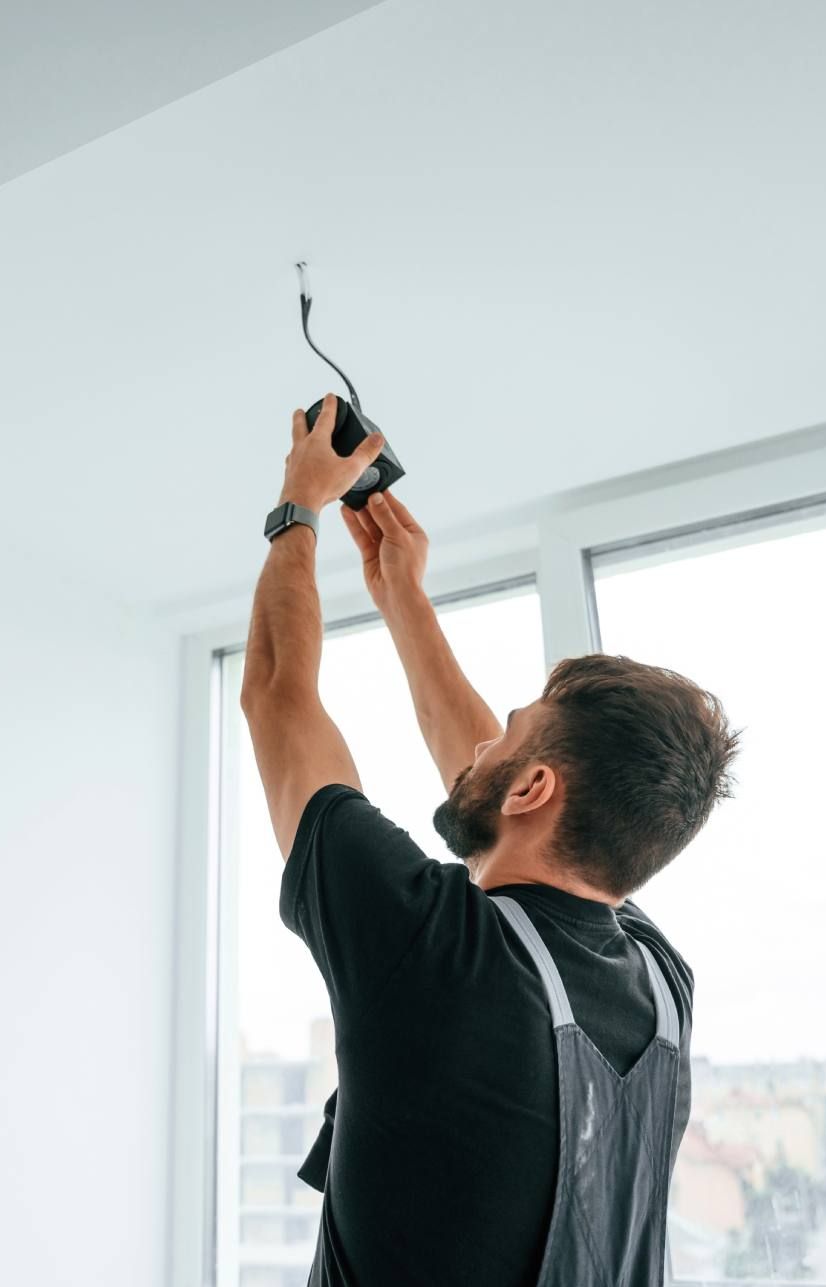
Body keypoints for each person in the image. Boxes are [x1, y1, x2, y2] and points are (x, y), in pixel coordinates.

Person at [261, 479, 741, 1286]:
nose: (483, 745)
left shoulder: (430, 944)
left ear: (532, 789)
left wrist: (298, 508)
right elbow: (499, 791)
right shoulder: (662, 984)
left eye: (507, 733)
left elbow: (277, 695)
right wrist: (401, 595)